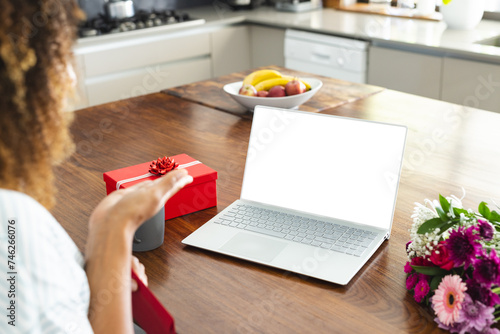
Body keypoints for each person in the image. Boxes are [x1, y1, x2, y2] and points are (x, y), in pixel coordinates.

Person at [0, 0, 193, 332]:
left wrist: (104, 257)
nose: (72, 76)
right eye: (59, 56)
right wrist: (117, 230)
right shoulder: (13, 221)